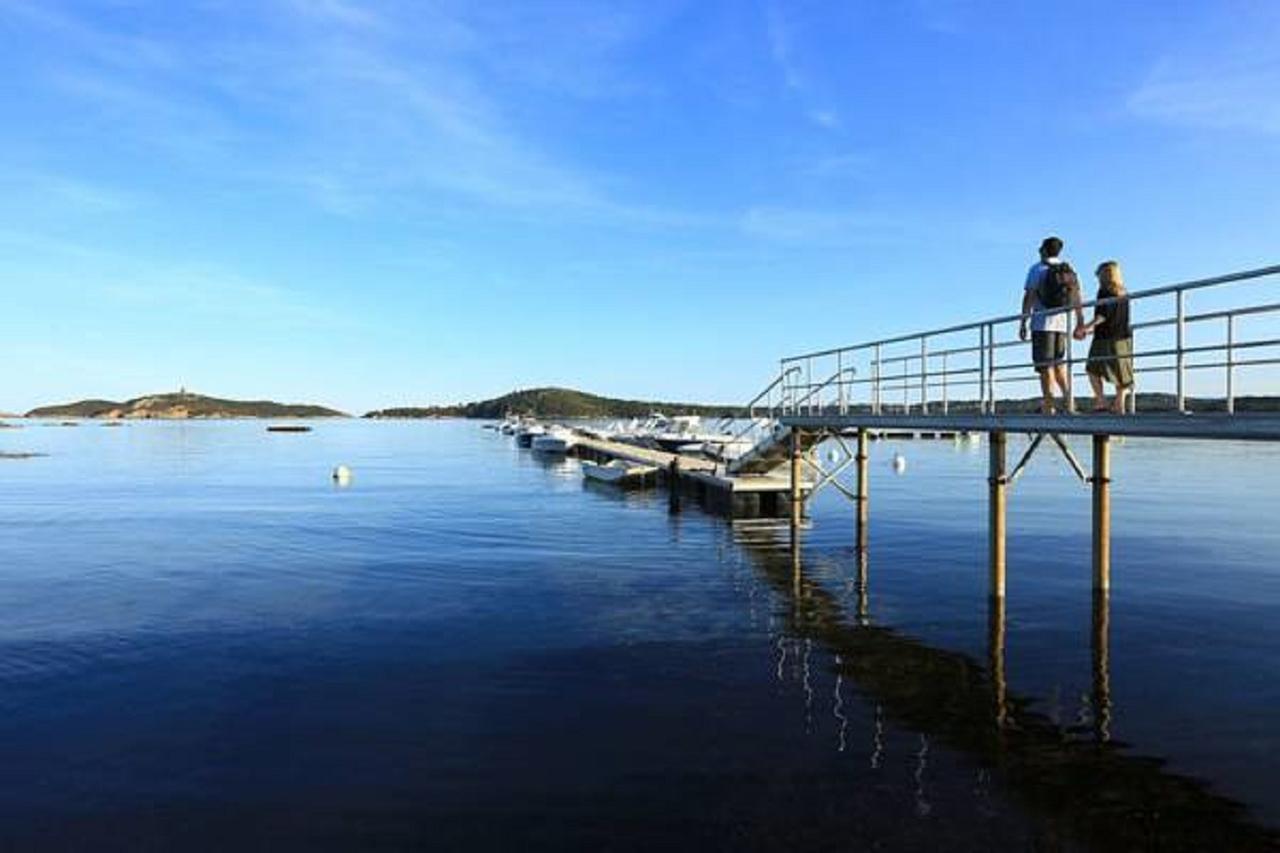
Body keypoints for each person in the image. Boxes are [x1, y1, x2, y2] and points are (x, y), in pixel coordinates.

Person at [1019, 236, 1086, 413]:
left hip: (1042, 325)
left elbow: (1029, 296)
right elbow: (1078, 298)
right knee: (1059, 365)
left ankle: (1049, 407)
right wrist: (1080, 322)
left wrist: (1023, 322)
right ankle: (1070, 402)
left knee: (1045, 367)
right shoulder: (1069, 271)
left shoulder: (1037, 269)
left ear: (1043, 250)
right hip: (1062, 324)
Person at [1075, 260, 1134, 413]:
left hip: (1105, 338)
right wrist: (1088, 331)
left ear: (1106, 275)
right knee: (1122, 372)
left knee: (1092, 369)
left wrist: (1084, 328)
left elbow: (1102, 316)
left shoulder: (1105, 292)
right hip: (1123, 337)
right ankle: (1119, 404)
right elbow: (1115, 318)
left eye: (1099, 275)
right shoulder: (1124, 292)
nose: (1098, 278)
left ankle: (1101, 401)